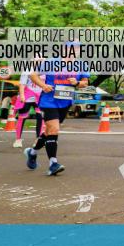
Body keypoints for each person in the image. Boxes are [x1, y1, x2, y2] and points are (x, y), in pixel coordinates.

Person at [24, 45, 89, 176]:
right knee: (54, 129)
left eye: (77, 50)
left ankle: (32, 152)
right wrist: (43, 85)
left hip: (65, 101)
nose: (75, 52)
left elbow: (85, 82)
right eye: (72, 49)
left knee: (49, 131)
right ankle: (53, 164)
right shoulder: (51, 62)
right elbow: (33, 75)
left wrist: (76, 83)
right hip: (48, 101)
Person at [12, 69, 43, 148]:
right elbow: (22, 84)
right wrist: (22, 95)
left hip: (40, 96)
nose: (40, 58)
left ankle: (38, 140)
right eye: (37, 56)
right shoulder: (27, 70)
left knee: (41, 118)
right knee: (22, 118)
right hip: (27, 96)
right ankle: (18, 139)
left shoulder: (46, 70)